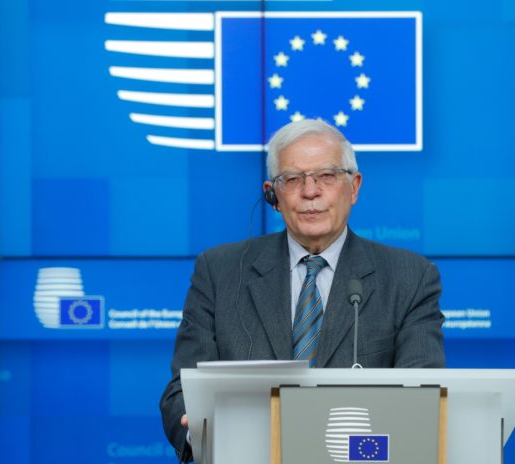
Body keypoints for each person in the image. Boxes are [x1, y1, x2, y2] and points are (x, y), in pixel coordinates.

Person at [160, 119, 445, 462]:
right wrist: (199, 429)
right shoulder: (219, 272)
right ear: (273, 195)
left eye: (327, 175)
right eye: (293, 179)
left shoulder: (410, 278)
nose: (310, 192)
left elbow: (421, 395)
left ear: (354, 187)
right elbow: (181, 390)